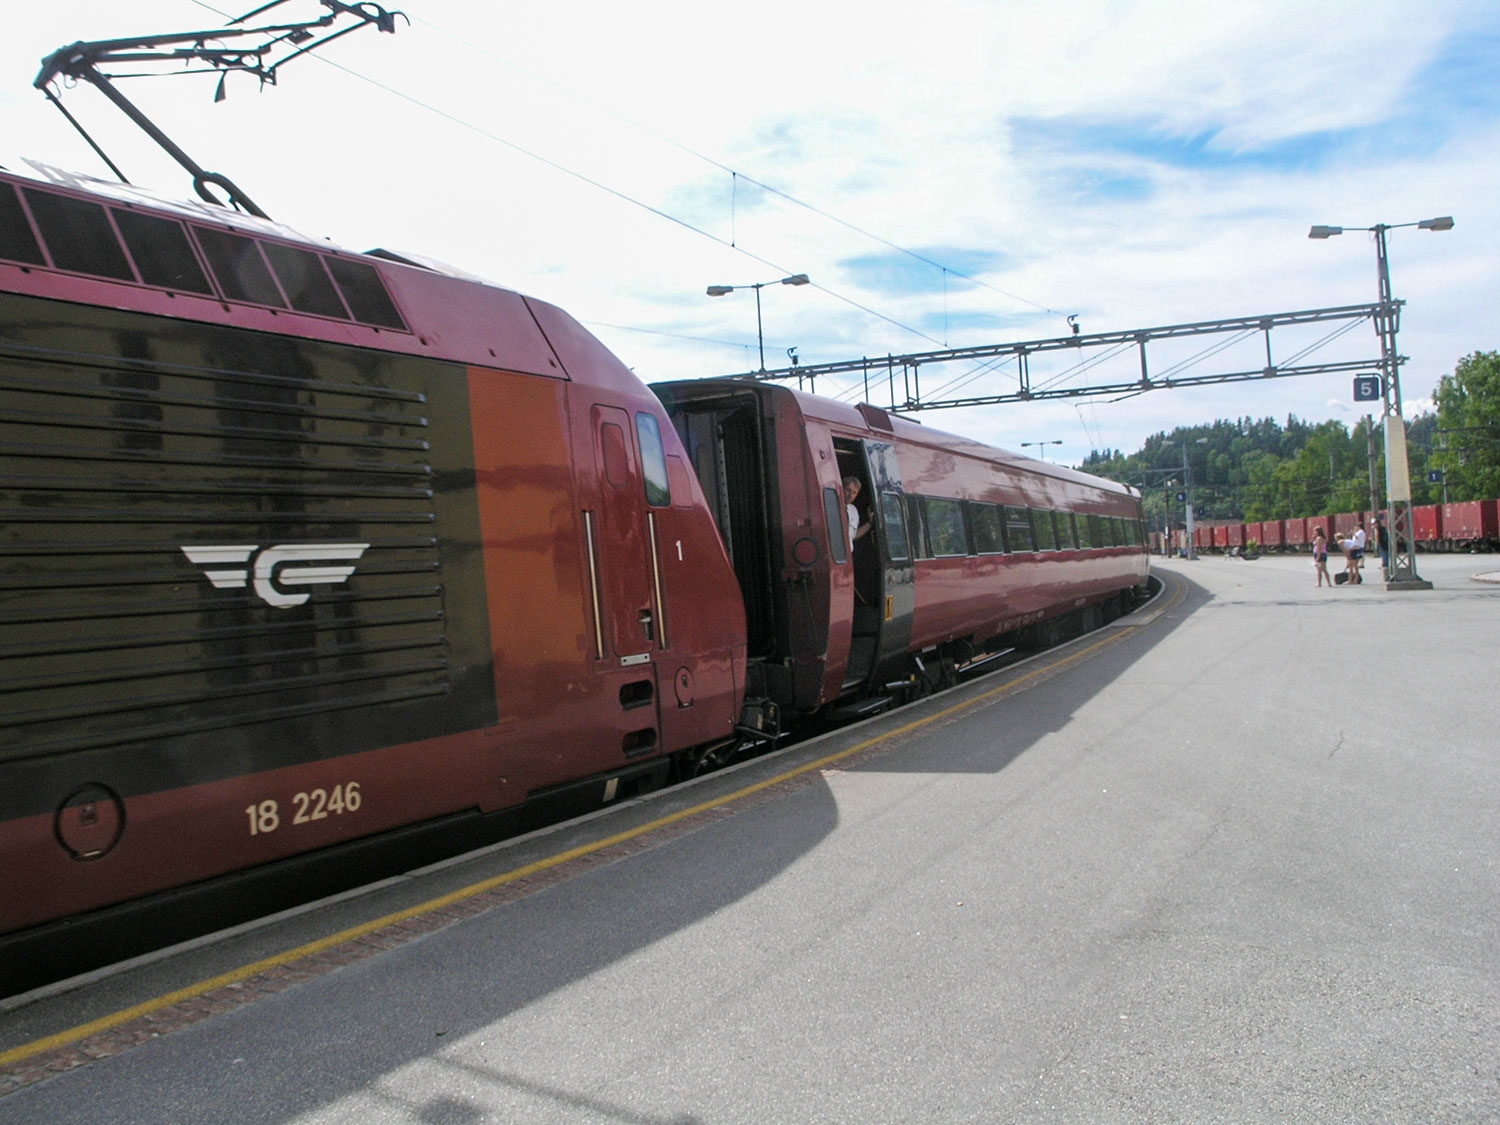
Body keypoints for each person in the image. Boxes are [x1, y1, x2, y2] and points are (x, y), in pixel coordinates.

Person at [842, 476, 869, 553]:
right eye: (848, 490)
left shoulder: (853, 511)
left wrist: (869, 523)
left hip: (847, 554)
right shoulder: (831, 506)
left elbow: (853, 535)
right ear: (842, 489)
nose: (850, 495)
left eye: (854, 492)